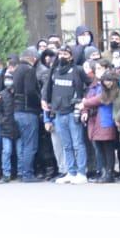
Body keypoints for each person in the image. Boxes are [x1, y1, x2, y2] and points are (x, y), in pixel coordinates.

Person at [43, 45, 88, 184]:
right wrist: (44, 100)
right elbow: (48, 88)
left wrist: (83, 102)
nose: (62, 56)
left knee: (78, 143)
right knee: (66, 145)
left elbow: (89, 85)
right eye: (60, 53)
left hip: (72, 111)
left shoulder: (77, 70)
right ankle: (71, 171)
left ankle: (81, 173)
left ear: (72, 56)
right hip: (58, 112)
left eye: (66, 54)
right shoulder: (54, 70)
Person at [83, 67, 120, 183]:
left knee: (108, 148)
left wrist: (84, 103)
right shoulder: (97, 88)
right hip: (97, 121)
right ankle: (104, 172)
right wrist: (85, 106)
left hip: (106, 120)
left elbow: (99, 100)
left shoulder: (113, 91)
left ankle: (109, 172)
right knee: (100, 148)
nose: (106, 83)